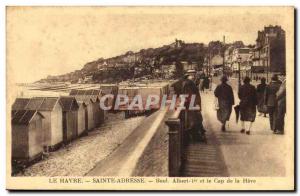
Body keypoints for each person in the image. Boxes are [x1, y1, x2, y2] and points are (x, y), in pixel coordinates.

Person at [182, 70, 206, 143]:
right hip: (192, 104)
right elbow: (190, 95)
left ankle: (196, 135)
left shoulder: (187, 83)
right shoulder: (189, 83)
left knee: (194, 120)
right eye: (192, 75)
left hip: (192, 104)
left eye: (194, 74)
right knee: (194, 120)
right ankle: (196, 136)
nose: (194, 76)